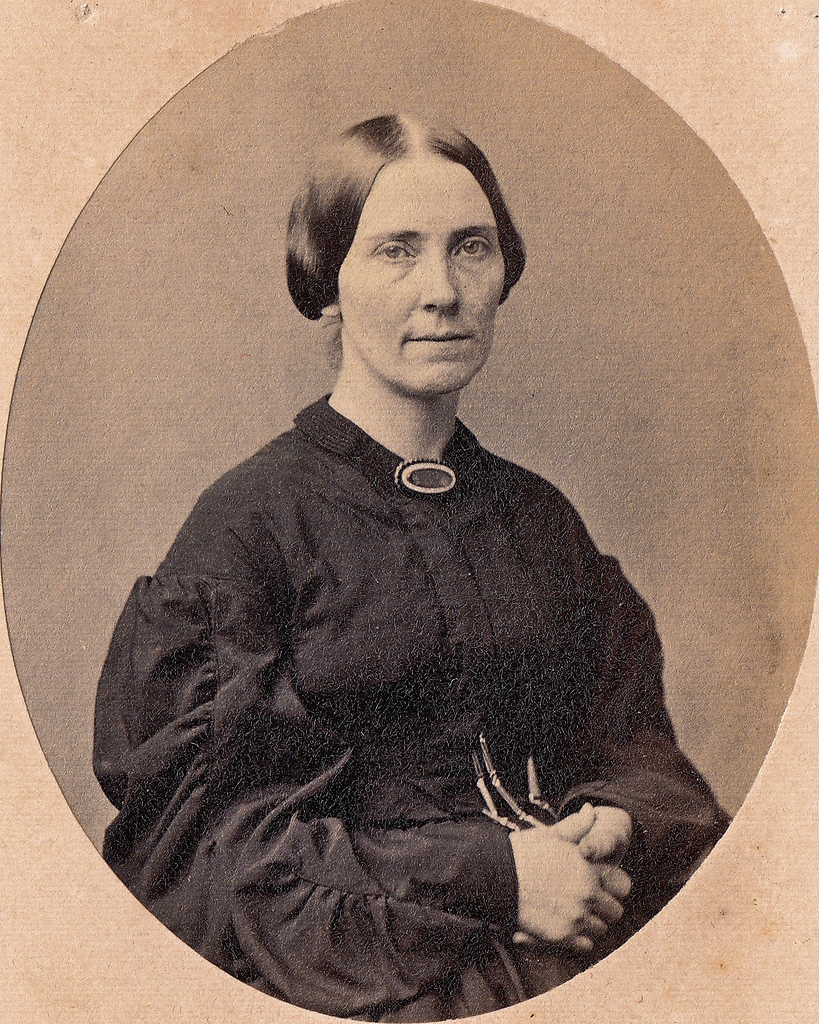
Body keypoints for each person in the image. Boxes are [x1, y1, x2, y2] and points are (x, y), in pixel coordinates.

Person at [93, 114, 730, 1021]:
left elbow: (631, 742)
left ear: (503, 269)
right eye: (396, 251)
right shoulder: (246, 528)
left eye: (470, 247)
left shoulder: (540, 519)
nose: (442, 292)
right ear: (327, 281)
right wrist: (495, 877)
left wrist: (613, 818)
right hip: (352, 987)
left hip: (583, 954)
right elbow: (209, 852)